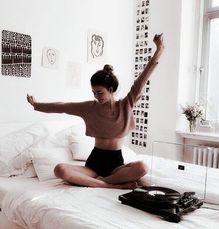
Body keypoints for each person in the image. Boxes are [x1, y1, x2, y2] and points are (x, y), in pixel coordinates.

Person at [27, 33, 164, 189]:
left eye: (100, 92)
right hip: (94, 164)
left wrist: (159, 49)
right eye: (93, 92)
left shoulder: (126, 105)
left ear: (111, 90)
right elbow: (63, 106)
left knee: (143, 167)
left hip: (116, 164)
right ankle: (109, 185)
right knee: (60, 170)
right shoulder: (89, 108)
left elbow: (142, 79)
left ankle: (102, 182)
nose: (96, 96)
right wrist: (37, 105)